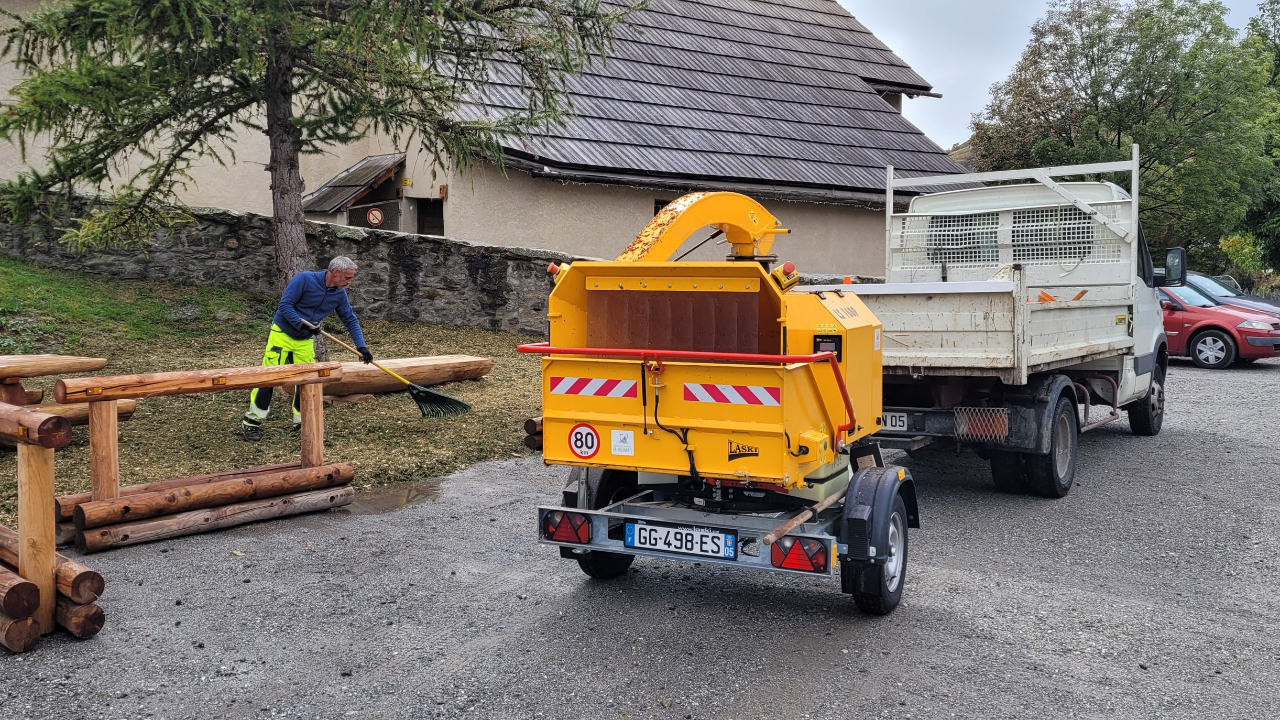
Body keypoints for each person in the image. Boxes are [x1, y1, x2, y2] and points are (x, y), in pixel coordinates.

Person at [241, 256, 373, 441]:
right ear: (336, 273)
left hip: (304, 341)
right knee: (268, 378)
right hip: (282, 334)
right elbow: (285, 305)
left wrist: (362, 346)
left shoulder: (339, 294)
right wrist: (300, 324)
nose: (349, 282)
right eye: (347, 278)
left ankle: (302, 422)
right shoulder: (304, 279)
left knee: (306, 382)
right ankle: (252, 422)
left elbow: (349, 319)